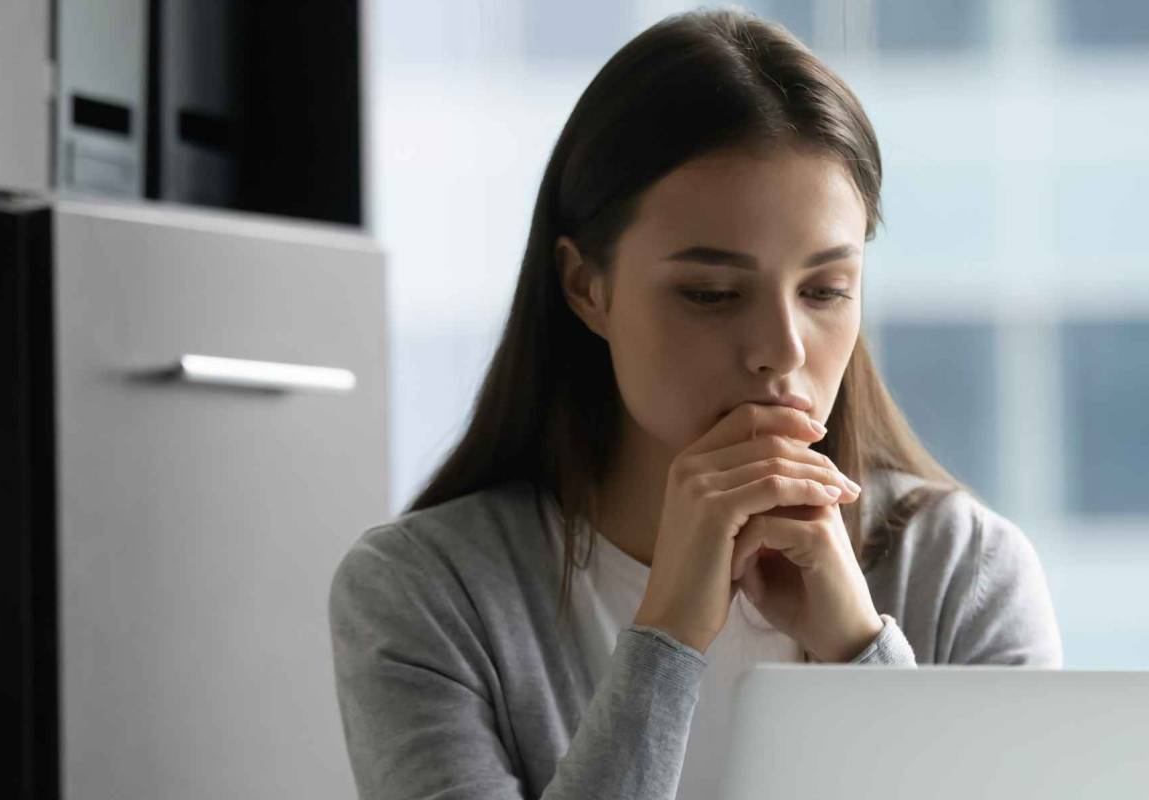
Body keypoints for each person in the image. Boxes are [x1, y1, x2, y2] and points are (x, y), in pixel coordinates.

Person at [328, 8, 1061, 799]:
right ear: (586, 287)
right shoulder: (424, 592)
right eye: (711, 293)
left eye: (825, 290)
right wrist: (669, 632)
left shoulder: (963, 569)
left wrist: (860, 652)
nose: (782, 349)